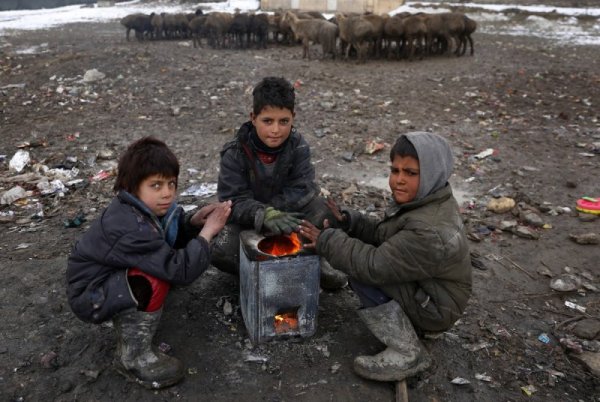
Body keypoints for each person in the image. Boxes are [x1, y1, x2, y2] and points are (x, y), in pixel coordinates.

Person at [299, 132, 472, 382]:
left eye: (411, 173)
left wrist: (327, 240)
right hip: (434, 294)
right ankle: (417, 327)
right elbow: (386, 236)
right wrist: (351, 222)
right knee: (356, 253)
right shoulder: (427, 200)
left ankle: (408, 352)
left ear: (432, 174)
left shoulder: (429, 229)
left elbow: (374, 266)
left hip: (437, 309)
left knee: (360, 271)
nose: (398, 181)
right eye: (395, 170)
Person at [66, 137, 231, 389]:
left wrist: (193, 223)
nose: (166, 193)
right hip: (90, 295)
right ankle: (132, 358)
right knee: (154, 279)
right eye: (155, 185)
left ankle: (135, 313)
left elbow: (166, 236)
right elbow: (180, 270)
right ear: (133, 187)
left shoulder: (141, 210)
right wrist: (207, 233)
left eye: (171, 184)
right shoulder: (130, 226)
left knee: (163, 257)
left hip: (107, 279)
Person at [211, 76, 347, 290]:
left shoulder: (298, 146)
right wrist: (263, 215)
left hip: (289, 216)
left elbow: (303, 189)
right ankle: (260, 273)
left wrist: (277, 212)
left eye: (283, 121)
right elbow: (233, 199)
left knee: (325, 211)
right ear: (253, 118)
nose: (276, 130)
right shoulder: (235, 152)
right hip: (250, 223)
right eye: (268, 121)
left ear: (293, 117)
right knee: (221, 248)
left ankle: (314, 263)